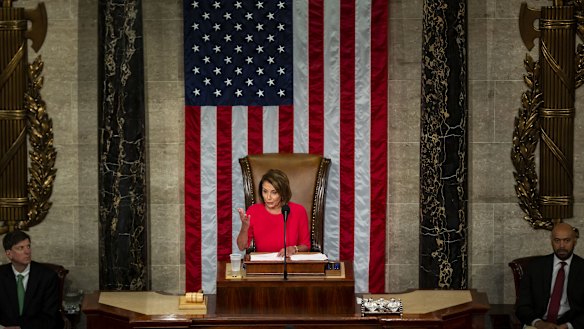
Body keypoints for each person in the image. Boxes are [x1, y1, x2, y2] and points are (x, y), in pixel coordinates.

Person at [516, 222, 584, 329]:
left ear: (575, 242)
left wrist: (569, 326)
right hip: (537, 324)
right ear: (551, 241)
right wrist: (538, 323)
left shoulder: (582, 268)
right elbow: (522, 306)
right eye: (557, 240)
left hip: (571, 325)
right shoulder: (535, 267)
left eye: (567, 240)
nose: (562, 246)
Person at [237, 169, 311, 257]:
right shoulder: (253, 211)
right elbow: (241, 247)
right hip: (263, 266)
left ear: (283, 193)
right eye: (265, 191)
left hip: (289, 264)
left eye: (274, 192)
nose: (268, 197)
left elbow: (306, 245)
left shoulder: (299, 211)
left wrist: (294, 249)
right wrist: (244, 227)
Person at [0, 230, 63, 329]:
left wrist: (21, 328)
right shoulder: (1, 275)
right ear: (9, 254)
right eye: (21, 248)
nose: (27, 251)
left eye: (28, 246)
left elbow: (50, 318)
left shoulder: (47, 277)